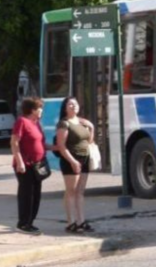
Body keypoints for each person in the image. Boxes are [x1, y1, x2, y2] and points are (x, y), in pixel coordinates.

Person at [55, 97, 95, 234]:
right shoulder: (64, 124)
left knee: (80, 192)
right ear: (65, 108)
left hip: (85, 159)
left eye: (75, 104)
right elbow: (61, 146)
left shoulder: (82, 122)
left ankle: (81, 221)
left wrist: (91, 127)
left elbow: (89, 141)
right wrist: (72, 161)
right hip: (71, 160)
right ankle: (71, 223)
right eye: (70, 104)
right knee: (71, 191)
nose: (74, 106)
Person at [10, 98, 48, 235]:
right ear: (32, 110)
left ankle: (30, 222)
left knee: (36, 194)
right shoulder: (22, 121)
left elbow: (40, 144)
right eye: (39, 108)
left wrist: (58, 147)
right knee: (27, 195)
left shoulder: (36, 124)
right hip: (26, 165)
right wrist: (19, 161)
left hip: (38, 165)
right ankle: (23, 223)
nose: (41, 110)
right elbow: (14, 142)